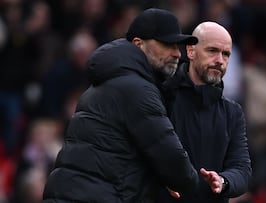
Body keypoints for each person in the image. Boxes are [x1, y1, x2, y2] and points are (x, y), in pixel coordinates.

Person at [42, 8, 199, 203]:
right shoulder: (137, 88)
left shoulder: (109, 83)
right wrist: (197, 184)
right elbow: (174, 164)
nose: (177, 53)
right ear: (138, 44)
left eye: (178, 46)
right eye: (167, 44)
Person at [157, 22, 252, 203]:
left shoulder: (233, 112)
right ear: (191, 51)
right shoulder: (161, 98)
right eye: (212, 51)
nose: (220, 60)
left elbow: (242, 169)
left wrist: (223, 181)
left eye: (226, 54)